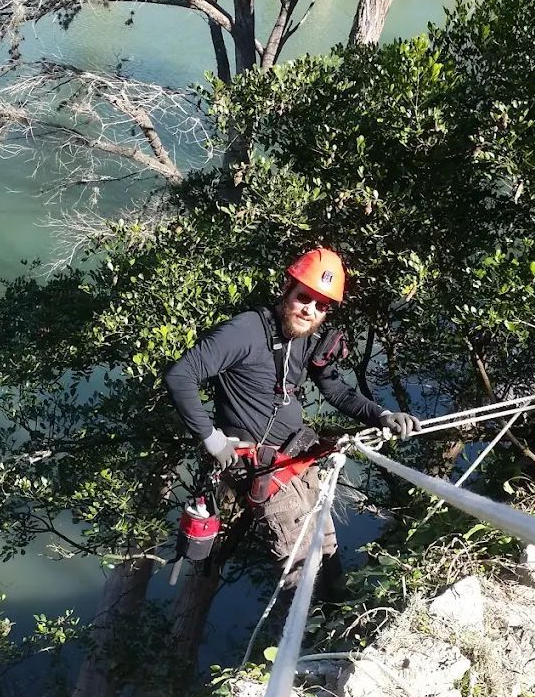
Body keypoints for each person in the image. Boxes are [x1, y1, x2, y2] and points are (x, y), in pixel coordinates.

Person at [164, 248, 419, 599]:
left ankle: (340, 633)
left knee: (326, 551)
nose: (309, 310)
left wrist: (382, 415)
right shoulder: (246, 330)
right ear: (288, 289)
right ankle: (304, 647)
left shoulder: (304, 339)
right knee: (301, 574)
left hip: (300, 464)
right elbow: (181, 376)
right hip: (267, 474)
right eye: (304, 298)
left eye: (320, 306)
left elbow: (335, 389)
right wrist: (211, 437)